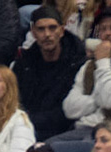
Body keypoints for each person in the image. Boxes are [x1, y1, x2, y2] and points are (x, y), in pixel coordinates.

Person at [15, 8, 83, 140]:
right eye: (41, 29)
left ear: (62, 30)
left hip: (64, 130)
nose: (47, 34)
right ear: (33, 33)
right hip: (26, 127)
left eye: (52, 28)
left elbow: (68, 111)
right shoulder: (24, 63)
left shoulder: (78, 61)